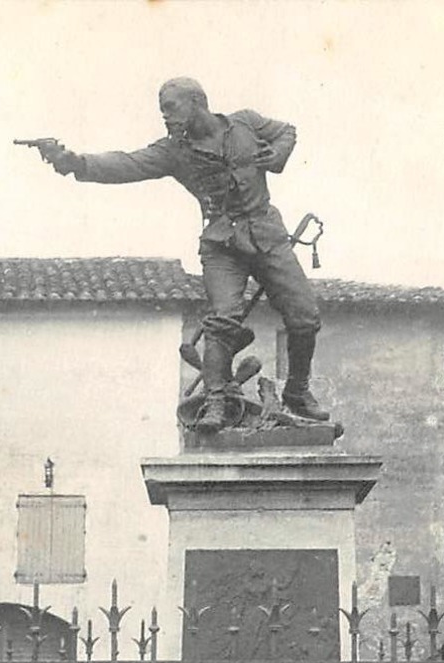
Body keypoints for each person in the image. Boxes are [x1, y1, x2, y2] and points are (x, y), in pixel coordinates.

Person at [42, 77, 329, 432]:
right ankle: (215, 402)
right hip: (222, 244)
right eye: (162, 109)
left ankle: (297, 392)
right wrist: (76, 163)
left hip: (267, 234)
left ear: (197, 102)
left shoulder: (245, 123)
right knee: (222, 320)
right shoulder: (174, 151)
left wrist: (278, 155)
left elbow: (286, 131)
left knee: (304, 317)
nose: (165, 116)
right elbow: (127, 163)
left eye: (170, 107)